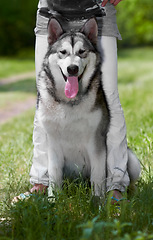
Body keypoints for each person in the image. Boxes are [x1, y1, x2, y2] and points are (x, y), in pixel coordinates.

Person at [14, 0, 129, 202]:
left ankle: (116, 185)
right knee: (46, 100)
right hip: (50, 10)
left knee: (109, 98)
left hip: (98, 8)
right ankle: (42, 181)